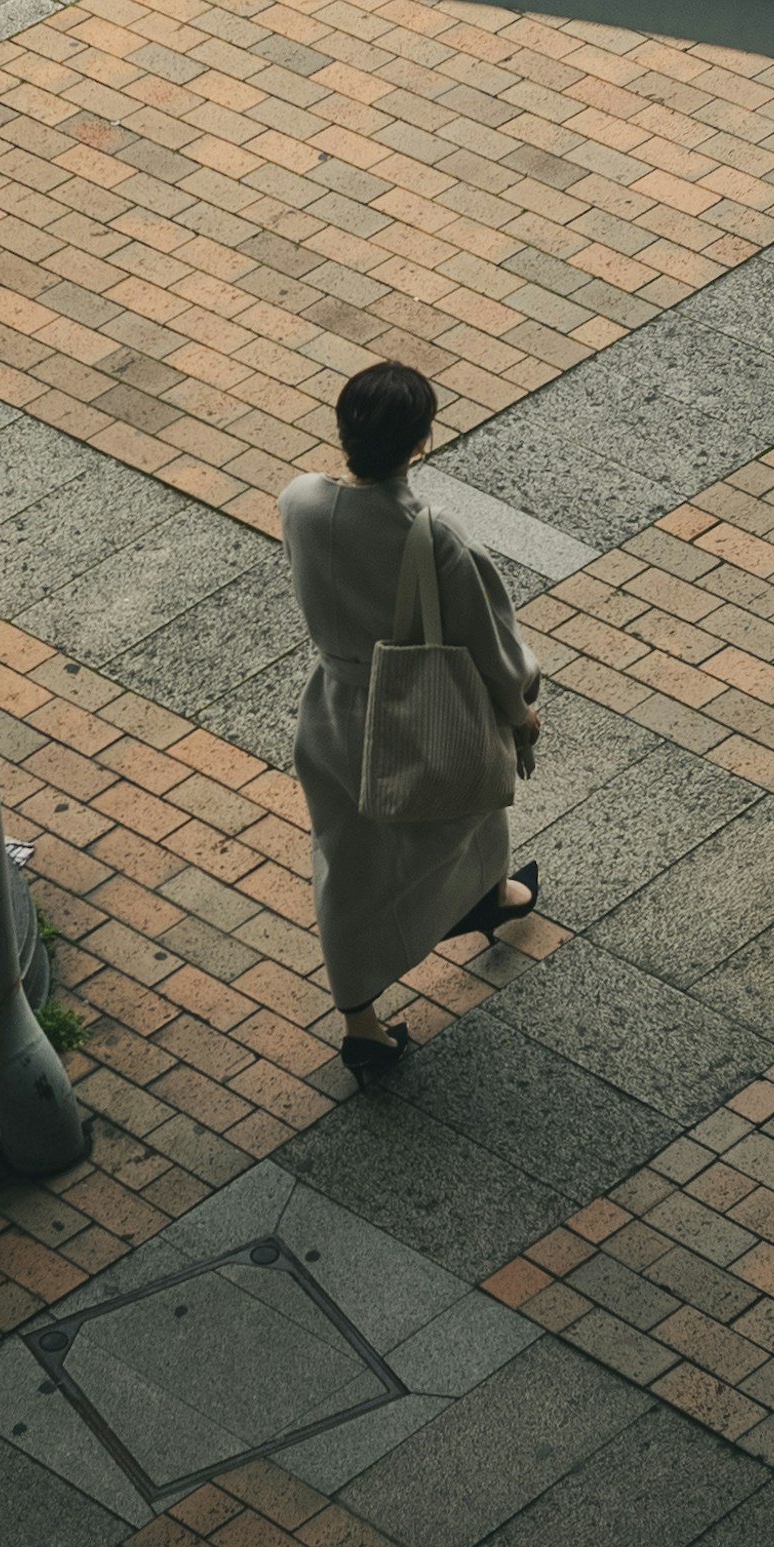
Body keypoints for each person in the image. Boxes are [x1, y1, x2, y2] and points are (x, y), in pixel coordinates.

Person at [278, 359, 545, 1080]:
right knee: (457, 801)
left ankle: (481, 903)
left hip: (333, 710)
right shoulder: (434, 538)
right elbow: (489, 648)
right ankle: (363, 1022)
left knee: (352, 855)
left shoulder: (299, 499)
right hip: (416, 710)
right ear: (422, 441)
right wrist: (519, 708)